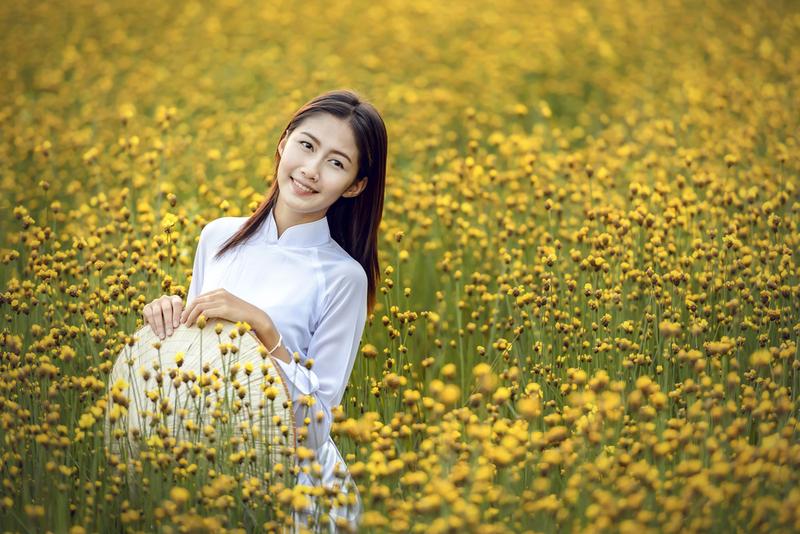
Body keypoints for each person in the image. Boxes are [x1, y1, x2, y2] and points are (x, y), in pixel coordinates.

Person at [142, 89, 387, 532]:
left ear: (354, 185)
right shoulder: (216, 237)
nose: (311, 170)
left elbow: (316, 429)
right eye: (306, 146)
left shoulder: (344, 278)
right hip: (203, 471)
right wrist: (167, 320)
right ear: (284, 142)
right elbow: (191, 367)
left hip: (292, 494)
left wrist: (266, 333)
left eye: (336, 163)